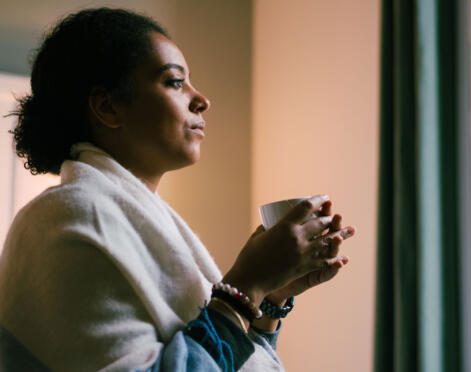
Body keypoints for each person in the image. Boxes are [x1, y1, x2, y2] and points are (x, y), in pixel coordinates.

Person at [0, 7, 356, 371]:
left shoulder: (123, 215)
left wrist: (271, 297)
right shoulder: (71, 215)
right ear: (108, 107)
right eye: (174, 82)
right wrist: (248, 285)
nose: (202, 99)